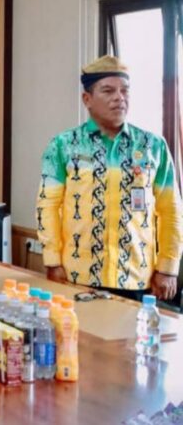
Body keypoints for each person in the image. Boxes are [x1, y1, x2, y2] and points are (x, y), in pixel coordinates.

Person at [37, 55, 182, 302]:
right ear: (87, 99)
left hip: (137, 278)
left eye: (125, 90)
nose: (119, 98)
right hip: (77, 276)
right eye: (108, 91)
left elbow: (171, 210)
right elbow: (47, 206)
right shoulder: (63, 146)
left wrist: (168, 268)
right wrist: (52, 260)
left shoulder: (153, 146)